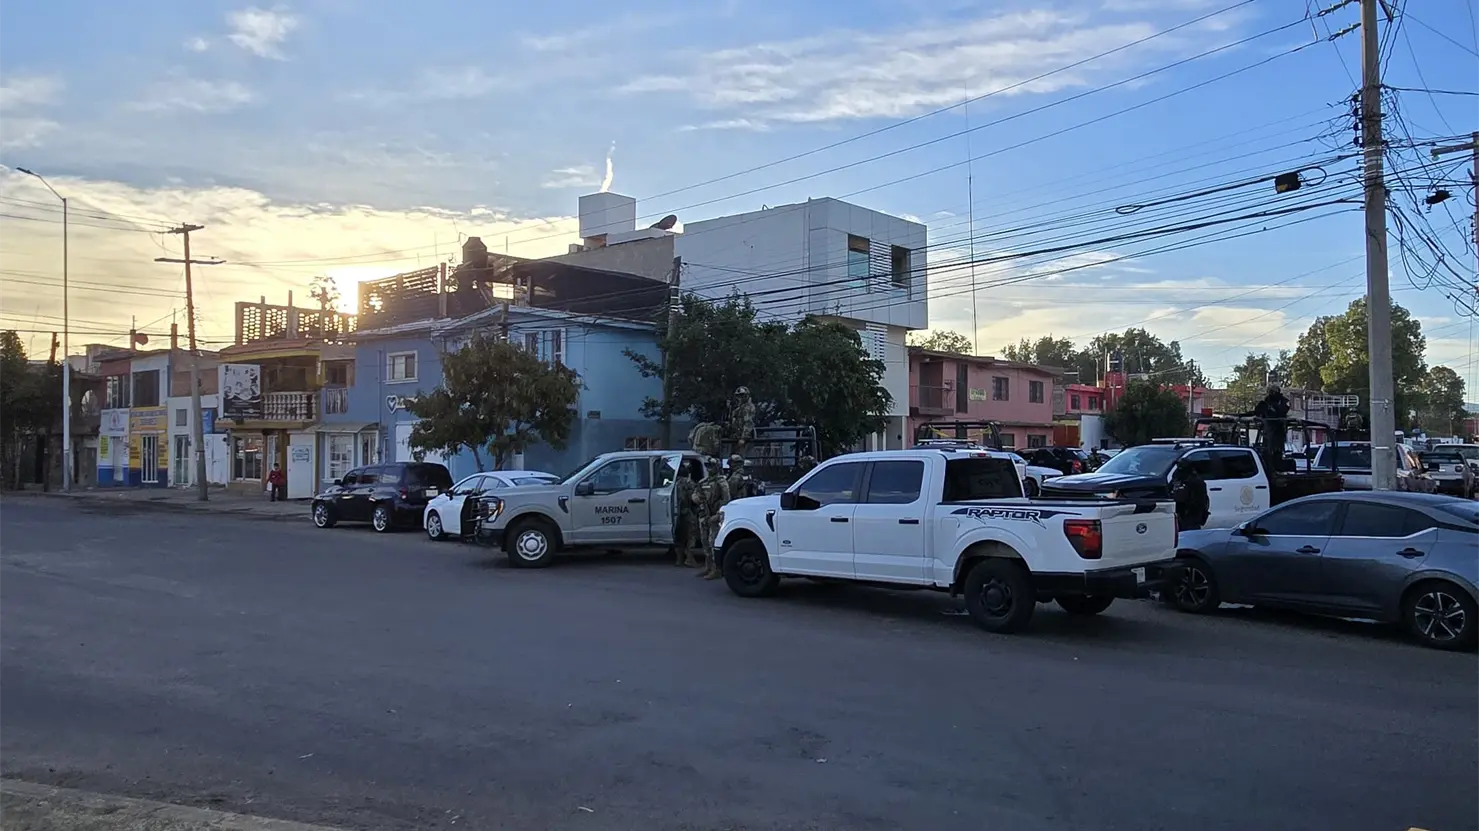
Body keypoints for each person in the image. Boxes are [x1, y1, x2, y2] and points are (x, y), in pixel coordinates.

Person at [695, 457, 731, 580]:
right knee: (705, 542)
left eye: (711, 466)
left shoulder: (721, 482)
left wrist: (717, 515)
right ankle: (708, 567)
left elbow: (726, 501)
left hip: (715, 516)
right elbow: (695, 495)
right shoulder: (703, 482)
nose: (709, 468)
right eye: (707, 466)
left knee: (713, 542)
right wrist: (697, 499)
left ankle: (717, 570)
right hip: (704, 516)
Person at [672, 460, 701, 568]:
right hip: (688, 512)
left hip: (676, 513)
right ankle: (689, 559)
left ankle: (679, 560)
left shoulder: (672, 484)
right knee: (691, 536)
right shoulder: (690, 483)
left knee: (679, 536)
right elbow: (694, 499)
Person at [1171, 458, 1210, 531]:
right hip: (1180, 514)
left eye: (1181, 466)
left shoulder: (1196, 481)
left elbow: (1201, 501)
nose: (1179, 468)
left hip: (1192, 515)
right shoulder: (1177, 478)